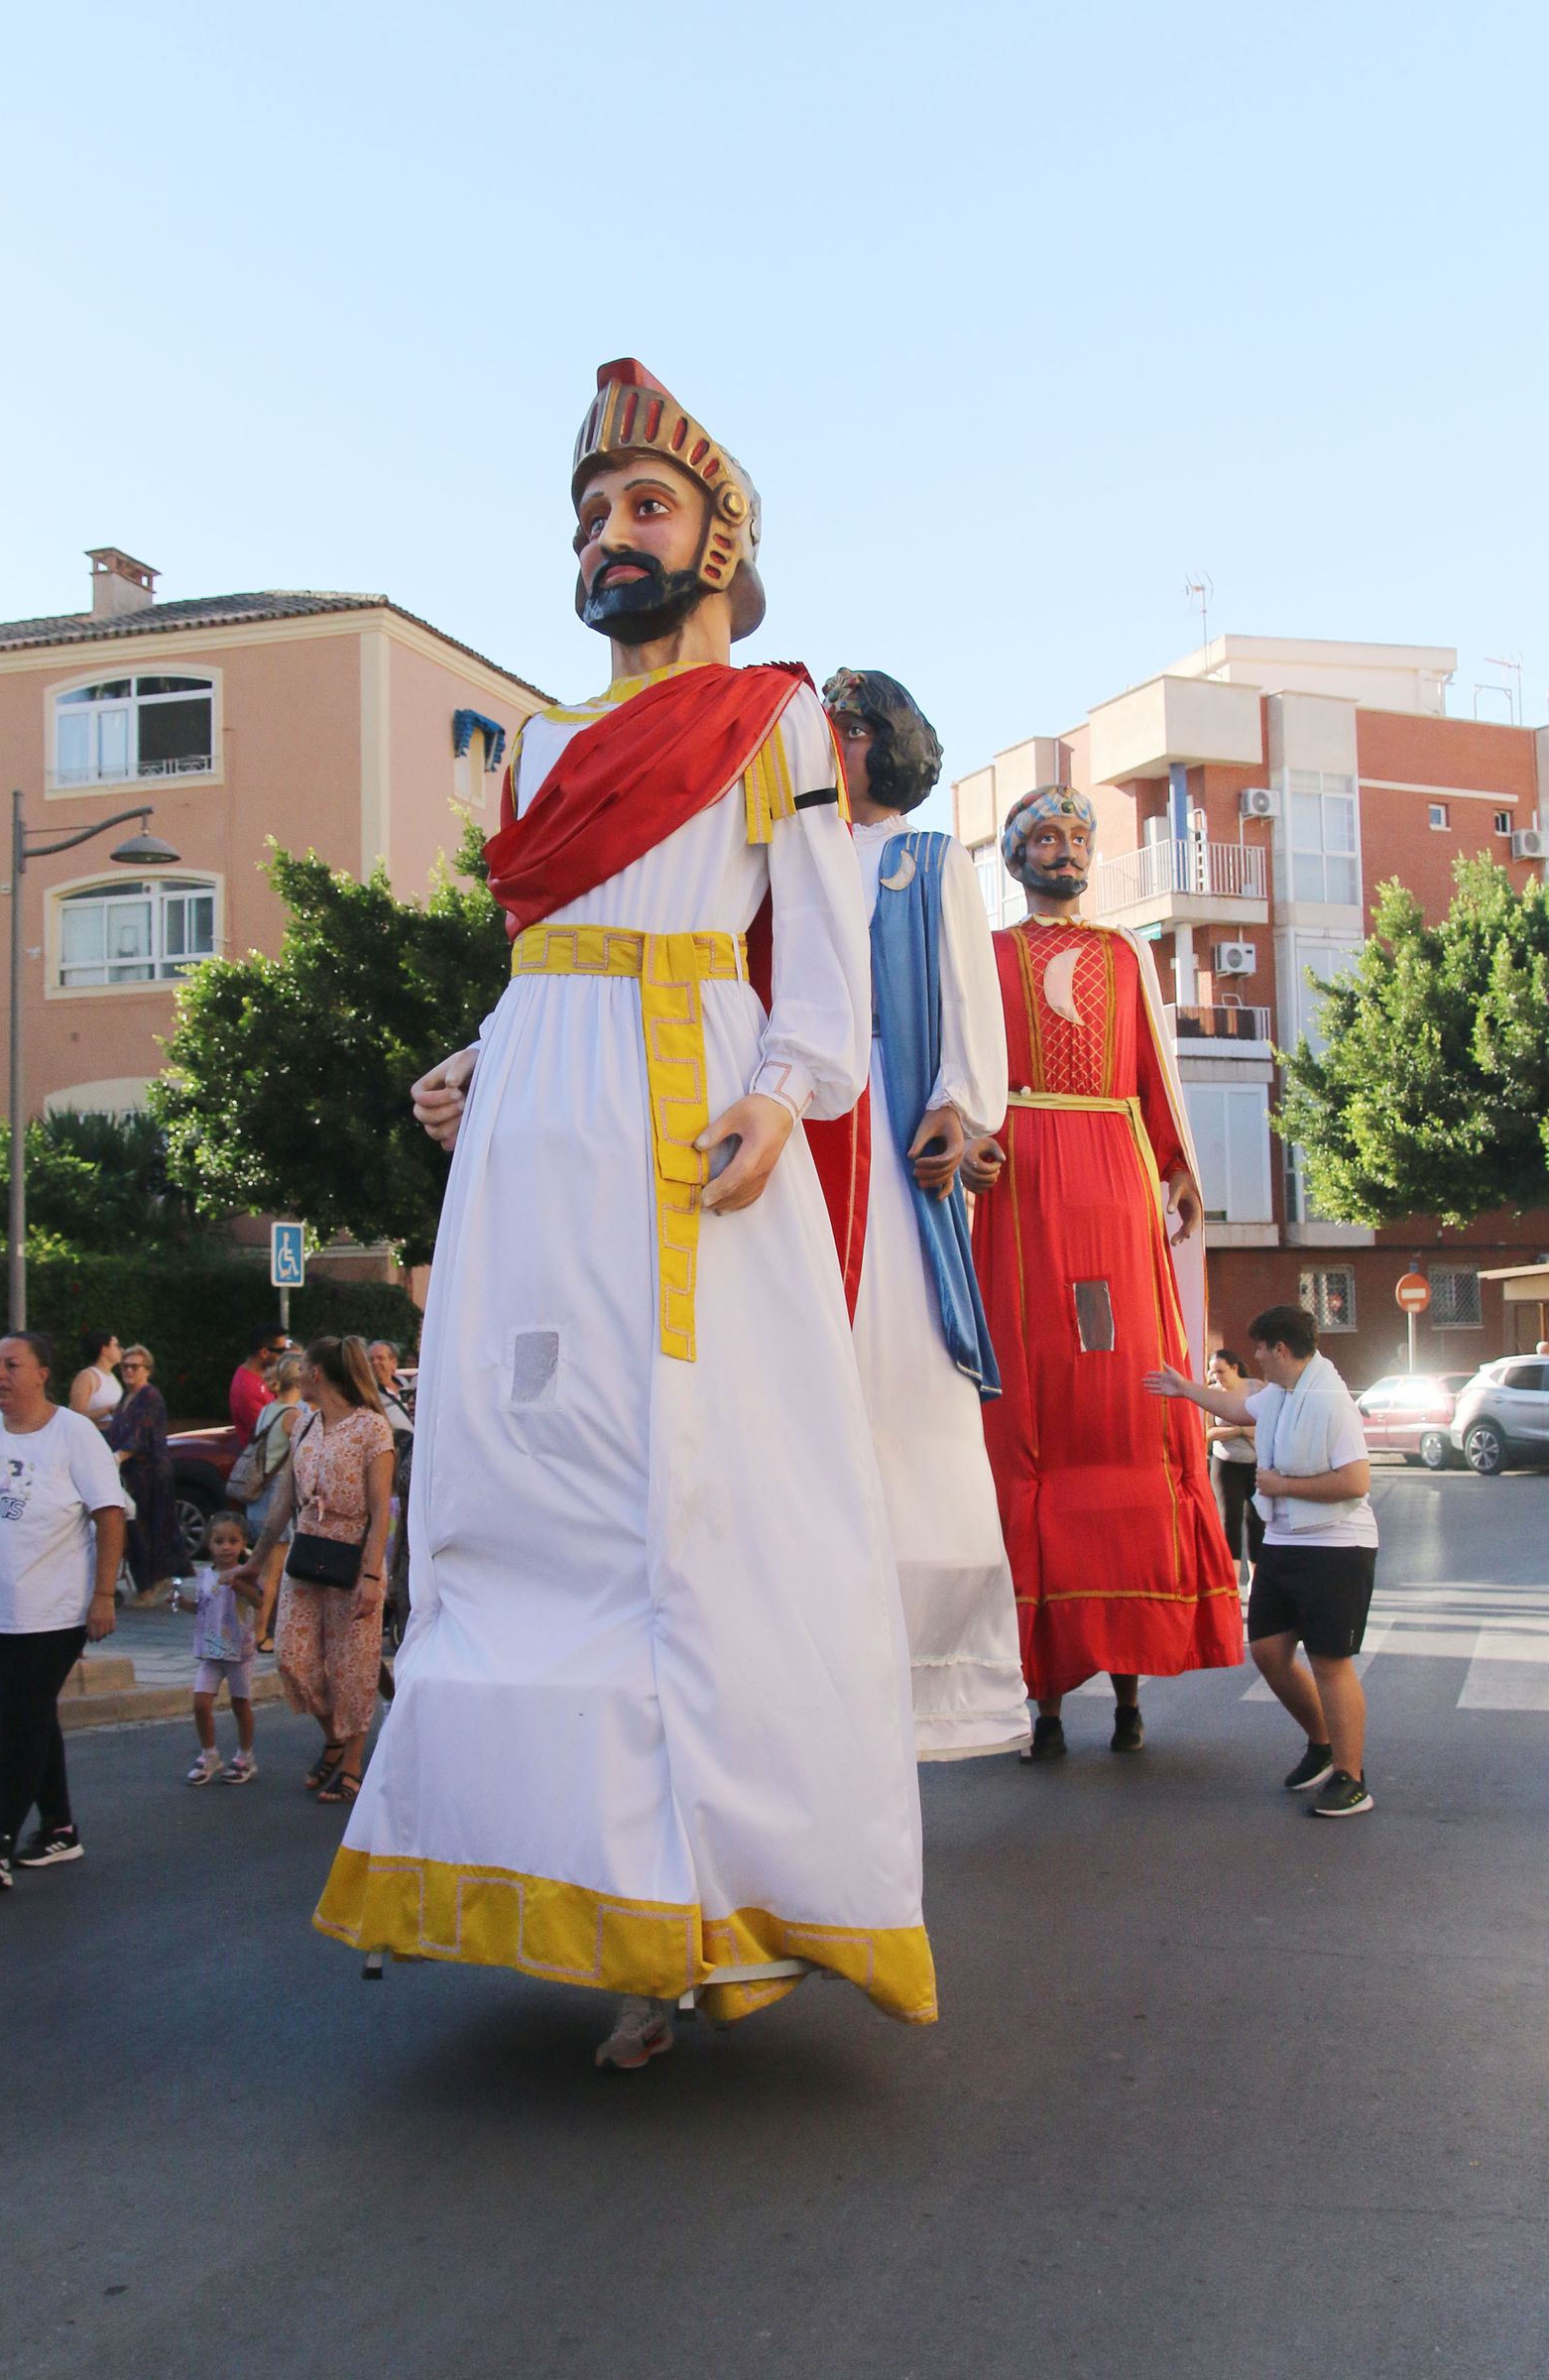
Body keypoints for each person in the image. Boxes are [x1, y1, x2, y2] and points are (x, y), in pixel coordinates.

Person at [330, 358, 932, 2071]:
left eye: (644, 508)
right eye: (593, 514)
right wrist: (478, 1053)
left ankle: (703, 1907)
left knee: (688, 1509)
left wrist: (784, 1095)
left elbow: (817, 961)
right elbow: (545, 956)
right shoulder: (529, 751)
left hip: (685, 1125)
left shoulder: (778, 722)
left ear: (717, 546)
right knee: (515, 1491)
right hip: (532, 1126)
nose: (611, 537)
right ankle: (542, 1875)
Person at [964, 785, 1242, 1760]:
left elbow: (1152, 1072)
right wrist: (970, 1141)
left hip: (1114, 1176)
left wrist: (1177, 1168)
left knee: (1127, 1398)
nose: (1062, 851)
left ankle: (1125, 1687)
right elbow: (963, 1070)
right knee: (1033, 1398)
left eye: (1076, 837)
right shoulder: (988, 956)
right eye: (1043, 837)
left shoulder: (1126, 955)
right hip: (1025, 1172)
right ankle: (1042, 1699)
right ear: (1015, 856)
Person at [810, 666, 1027, 1759]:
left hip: (890, 1138)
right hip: (801, 1122)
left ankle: (927, 1663)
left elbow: (965, 994)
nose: (829, 746)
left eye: (844, 729)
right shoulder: (785, 852)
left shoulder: (928, 860)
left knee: (898, 1376)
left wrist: (958, 1104)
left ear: (882, 742)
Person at [1146, 1304, 1377, 1817]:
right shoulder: (1280, 1393)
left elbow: (1357, 1481)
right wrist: (1183, 1388)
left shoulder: (1329, 1400)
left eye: (1260, 1348)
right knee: (1270, 1651)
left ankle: (1351, 1776)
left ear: (1281, 1350)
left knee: (1329, 1662)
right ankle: (1322, 1744)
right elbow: (1239, 1410)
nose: (1254, 1357)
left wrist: (1283, 1486)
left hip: (1337, 1548)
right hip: (1284, 1543)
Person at [0, 1334, 126, 1888]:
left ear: (42, 1374)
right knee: (29, 1714)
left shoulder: (73, 1434)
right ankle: (59, 1828)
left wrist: (104, 1595)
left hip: (53, 1612)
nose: (0, 1374)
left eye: (12, 1364)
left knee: (19, 1717)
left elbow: (109, 1514)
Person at [236, 1337, 393, 1806]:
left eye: (302, 1367)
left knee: (353, 1665)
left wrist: (370, 1576)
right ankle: (332, 1737)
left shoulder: (372, 1429)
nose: (295, 1373)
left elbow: (380, 1510)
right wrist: (257, 1560)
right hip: (307, 1551)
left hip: (353, 1554)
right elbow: (286, 1497)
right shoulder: (304, 1425)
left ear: (318, 1374)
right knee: (293, 1657)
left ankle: (350, 1764)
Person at [182, 1511, 262, 1785]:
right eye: (219, 1541)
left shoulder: (247, 1573)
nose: (226, 1547)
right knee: (200, 1703)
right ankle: (209, 1754)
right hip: (210, 1651)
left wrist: (239, 1583)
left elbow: (258, 1602)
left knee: (240, 1704)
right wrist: (182, 1604)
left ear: (242, 1544)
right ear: (209, 1544)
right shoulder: (205, 1576)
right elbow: (203, 1608)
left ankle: (245, 1756)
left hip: (239, 1652)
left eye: (233, 1540)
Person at [107, 1345, 182, 1606]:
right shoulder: (126, 1397)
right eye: (125, 1366)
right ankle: (146, 1583)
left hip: (148, 1473)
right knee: (135, 1526)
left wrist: (117, 1457)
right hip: (131, 1473)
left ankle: (150, 1585)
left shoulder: (149, 1396)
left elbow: (140, 1434)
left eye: (134, 1366)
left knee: (146, 1528)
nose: (128, 1370)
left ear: (147, 1371)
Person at [243, 1352, 302, 1652]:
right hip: (276, 1496)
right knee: (272, 1571)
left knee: (262, 1564)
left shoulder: (268, 1410)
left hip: (257, 1496)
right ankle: (260, 1633)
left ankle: (258, 1626)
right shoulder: (293, 1416)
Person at [366, 1340, 414, 1651]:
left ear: (394, 1363)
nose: (377, 1364)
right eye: (372, 1359)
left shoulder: (403, 1391)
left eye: (382, 1358)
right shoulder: (370, 1398)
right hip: (392, 1486)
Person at [1208, 1347, 1264, 1586]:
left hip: (1255, 1462)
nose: (1217, 1377)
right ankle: (1230, 1580)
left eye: (1221, 1371)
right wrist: (1240, 1430)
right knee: (1229, 1518)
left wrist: (1237, 1432)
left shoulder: (1256, 1388)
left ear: (1235, 1367)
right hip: (1225, 1463)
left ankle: (1256, 1580)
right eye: (1213, 1373)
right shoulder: (1210, 1393)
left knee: (1257, 1518)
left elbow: (1268, 1425)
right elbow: (1208, 1433)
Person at [228, 1325, 292, 1450]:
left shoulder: (262, 1377)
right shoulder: (246, 1388)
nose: (286, 1355)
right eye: (281, 1351)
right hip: (266, 1460)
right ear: (264, 1352)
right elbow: (268, 1435)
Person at [68, 1331, 124, 1435]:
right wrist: (109, 1410)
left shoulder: (112, 1377)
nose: (121, 1350)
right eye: (116, 1346)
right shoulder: (87, 1377)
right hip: (94, 1436)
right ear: (104, 1350)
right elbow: (75, 1415)